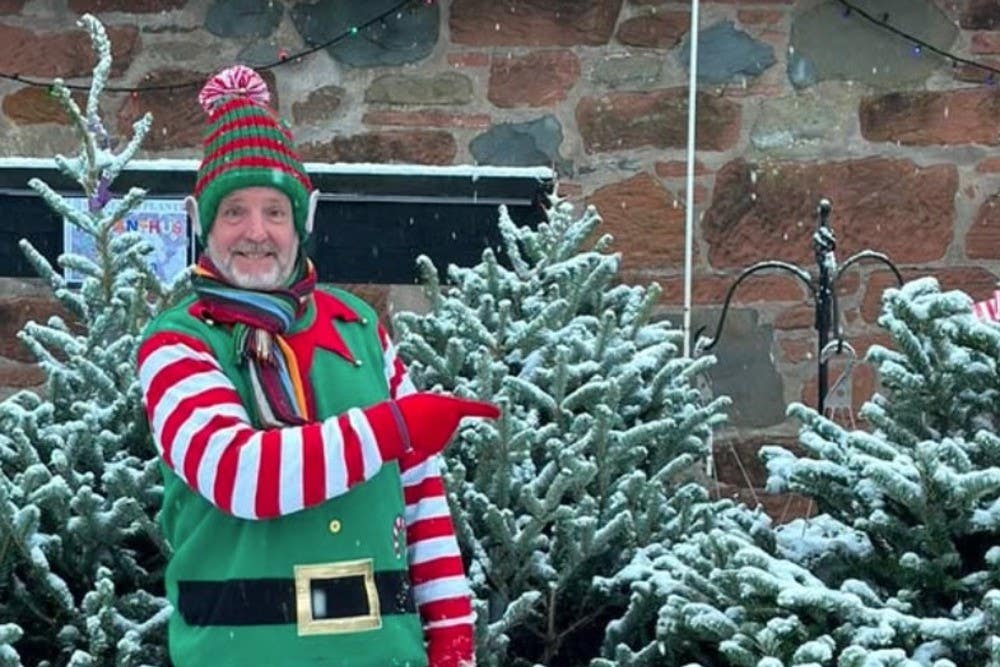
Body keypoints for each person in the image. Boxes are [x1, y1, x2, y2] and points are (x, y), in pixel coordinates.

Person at [137, 65, 498, 667]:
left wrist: (454, 637)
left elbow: (420, 494)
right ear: (202, 222)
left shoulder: (359, 326)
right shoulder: (180, 343)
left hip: (384, 654)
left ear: (302, 221)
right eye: (235, 212)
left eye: (275, 211)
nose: (257, 233)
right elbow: (237, 474)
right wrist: (394, 428)